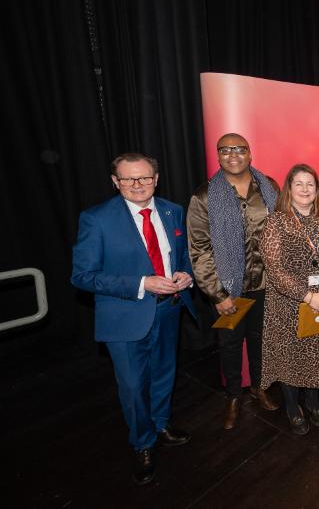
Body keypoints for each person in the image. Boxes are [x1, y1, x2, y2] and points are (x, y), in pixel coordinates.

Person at [71, 153, 196, 485]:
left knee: (164, 374)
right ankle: (143, 442)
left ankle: (161, 423)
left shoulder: (173, 210)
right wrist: (141, 283)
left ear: (156, 178)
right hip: (124, 317)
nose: (137, 185)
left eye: (144, 178)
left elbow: (182, 256)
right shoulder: (96, 219)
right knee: (131, 385)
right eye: (128, 179)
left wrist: (186, 276)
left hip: (169, 309)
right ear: (115, 182)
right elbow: (82, 276)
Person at [187, 133, 280, 431]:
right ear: (218, 156)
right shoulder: (204, 196)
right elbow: (199, 250)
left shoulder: (269, 188)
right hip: (228, 289)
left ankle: (258, 388)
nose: (233, 154)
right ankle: (233, 396)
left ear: (250, 153)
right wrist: (217, 294)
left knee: (260, 341)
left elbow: (281, 233)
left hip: (266, 284)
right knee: (229, 345)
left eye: (239, 149)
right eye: (225, 150)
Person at [260, 164, 319, 435]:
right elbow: (274, 267)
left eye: (310, 184)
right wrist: (308, 296)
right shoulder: (276, 220)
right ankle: (292, 406)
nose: (304, 189)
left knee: (318, 353)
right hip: (290, 303)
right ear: (289, 188)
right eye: (298, 184)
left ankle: (312, 401)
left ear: (317, 188)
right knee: (291, 355)